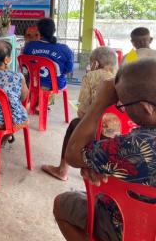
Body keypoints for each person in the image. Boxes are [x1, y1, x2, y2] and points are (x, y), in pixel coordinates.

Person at [54, 58, 156, 241]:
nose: (123, 111)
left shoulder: (138, 145)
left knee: (63, 203)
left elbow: (73, 153)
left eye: (123, 105)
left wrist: (100, 102)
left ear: (146, 108)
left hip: (133, 228)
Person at [41, 47, 118, 181]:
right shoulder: (119, 78)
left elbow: (82, 111)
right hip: (115, 131)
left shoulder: (90, 76)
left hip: (96, 129)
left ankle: (62, 170)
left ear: (95, 63)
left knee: (74, 124)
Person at [23, 18, 73, 90]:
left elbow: (25, 65)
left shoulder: (29, 46)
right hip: (56, 85)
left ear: (39, 31)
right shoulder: (65, 49)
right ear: (54, 31)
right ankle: (47, 100)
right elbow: (68, 69)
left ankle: (38, 99)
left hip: (34, 83)